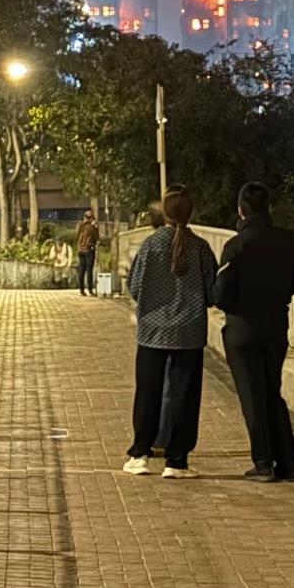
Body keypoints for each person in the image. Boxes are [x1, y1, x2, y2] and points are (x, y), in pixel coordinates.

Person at [214, 181, 294, 481]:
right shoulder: (288, 241)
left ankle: (264, 461)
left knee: (252, 396)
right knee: (272, 392)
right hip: (276, 326)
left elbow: (220, 294)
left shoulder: (235, 247)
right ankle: (290, 462)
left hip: (242, 328)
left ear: (241, 210)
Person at [123, 187, 217, 477]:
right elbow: (212, 293)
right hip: (188, 332)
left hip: (152, 330)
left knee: (147, 392)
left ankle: (140, 453)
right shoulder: (200, 247)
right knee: (184, 396)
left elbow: (135, 287)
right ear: (189, 213)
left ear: (164, 213)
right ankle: (177, 461)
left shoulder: (150, 245)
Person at [75, 209, 100, 296]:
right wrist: (95, 227)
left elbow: (76, 235)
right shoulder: (90, 227)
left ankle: (81, 290)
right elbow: (96, 237)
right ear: (91, 218)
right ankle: (90, 290)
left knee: (81, 270)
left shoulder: (79, 225)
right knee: (89, 270)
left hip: (80, 249)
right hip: (89, 250)